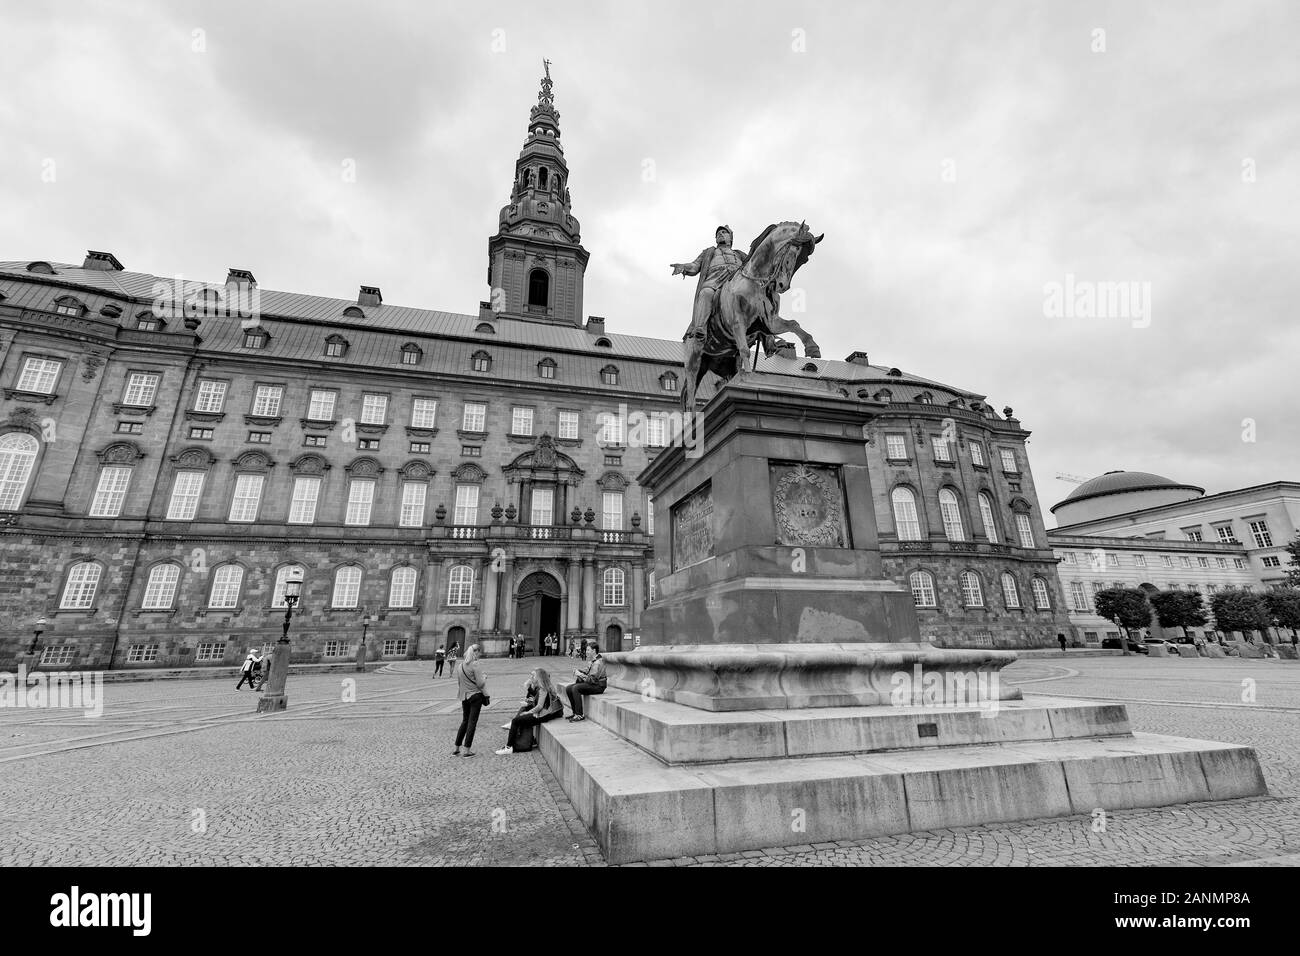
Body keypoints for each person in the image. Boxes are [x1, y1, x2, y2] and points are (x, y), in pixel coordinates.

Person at [670, 225, 749, 342]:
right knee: (706, 293)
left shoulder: (740, 255)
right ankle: (700, 327)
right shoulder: (709, 252)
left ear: (731, 238)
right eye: (718, 234)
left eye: (724, 232)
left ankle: (769, 338)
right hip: (715, 281)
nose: (720, 234)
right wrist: (683, 267)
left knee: (758, 298)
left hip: (736, 282)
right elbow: (694, 266)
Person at [496, 668, 563, 754]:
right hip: (545, 714)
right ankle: (528, 741)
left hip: (543, 715)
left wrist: (528, 712)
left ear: (539, 677)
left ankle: (509, 747)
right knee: (521, 718)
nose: (532, 678)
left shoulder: (543, 689)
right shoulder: (545, 687)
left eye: (534, 676)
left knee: (516, 721)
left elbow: (539, 706)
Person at [452, 644, 488, 757]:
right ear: (475, 652)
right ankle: (467, 750)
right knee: (472, 723)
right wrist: (484, 678)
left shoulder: (460, 666)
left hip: (464, 697)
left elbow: (459, 684)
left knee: (465, 721)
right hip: (475, 696)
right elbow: (480, 684)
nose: (480, 654)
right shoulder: (475, 664)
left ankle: (456, 748)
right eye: (479, 652)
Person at [565, 644, 607, 722]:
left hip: (598, 686)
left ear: (594, 651)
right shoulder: (593, 660)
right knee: (568, 688)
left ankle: (580, 715)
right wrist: (578, 671)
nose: (586, 652)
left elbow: (592, 680)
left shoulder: (598, 662)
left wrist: (580, 674)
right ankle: (575, 713)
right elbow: (587, 671)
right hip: (593, 684)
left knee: (575, 688)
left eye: (588, 650)